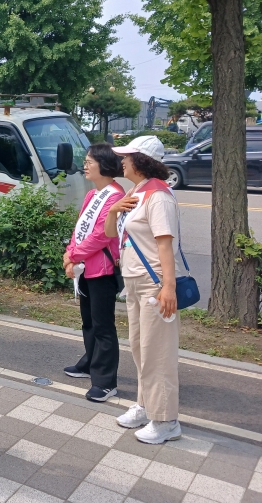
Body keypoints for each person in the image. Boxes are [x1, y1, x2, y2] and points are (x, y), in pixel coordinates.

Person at [104, 135, 187, 444]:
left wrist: (168, 287)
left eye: (127, 157)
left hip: (154, 284)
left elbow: (165, 244)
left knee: (158, 353)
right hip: (135, 282)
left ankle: (166, 421)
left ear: (141, 161)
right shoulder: (137, 191)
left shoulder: (159, 196)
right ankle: (145, 405)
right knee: (140, 348)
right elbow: (112, 233)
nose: (122, 161)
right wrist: (114, 210)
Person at [62, 143, 124, 402]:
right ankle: (90, 362)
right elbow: (80, 230)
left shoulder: (116, 196)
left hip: (103, 269)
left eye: (90, 161)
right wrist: (69, 253)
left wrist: (73, 256)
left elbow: (101, 236)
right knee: (89, 321)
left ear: (105, 165)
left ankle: (106, 382)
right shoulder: (92, 195)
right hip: (85, 268)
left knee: (103, 326)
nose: (85, 165)